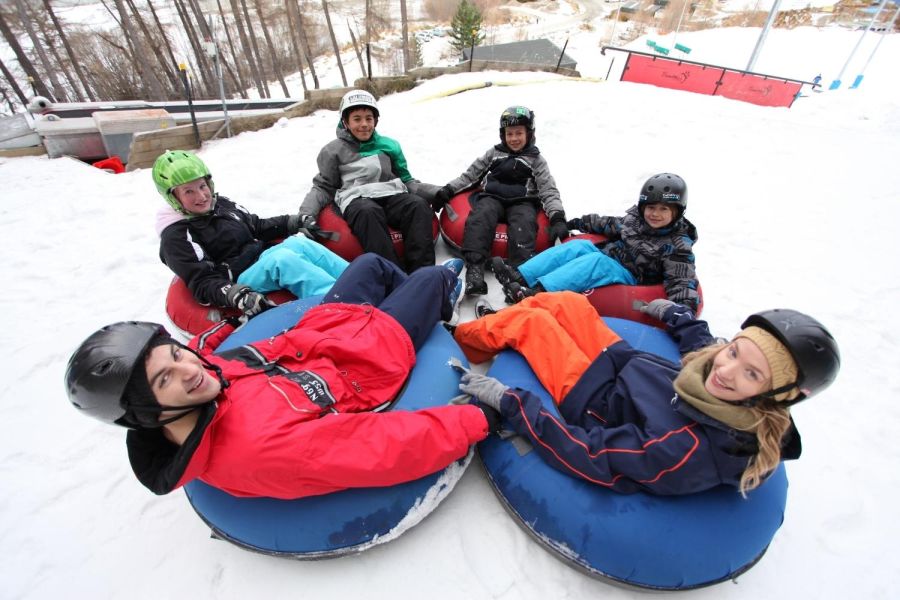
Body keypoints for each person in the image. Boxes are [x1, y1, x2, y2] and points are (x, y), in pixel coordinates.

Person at [63, 254, 498, 499]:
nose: (190, 369)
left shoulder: (200, 382)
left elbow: (214, 353)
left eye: (176, 354)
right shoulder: (258, 449)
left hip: (323, 331)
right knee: (433, 275)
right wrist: (481, 418)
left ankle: (425, 304)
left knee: (370, 264)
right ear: (145, 413)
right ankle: (438, 296)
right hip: (369, 360)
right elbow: (382, 447)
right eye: (165, 380)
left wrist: (233, 325)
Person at [451, 292, 840, 496]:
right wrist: (678, 317)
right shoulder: (725, 383)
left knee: (532, 323)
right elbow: (706, 351)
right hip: (625, 365)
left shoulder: (690, 449)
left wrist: (511, 402)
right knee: (567, 303)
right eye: (735, 352)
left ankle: (457, 341)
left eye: (751, 373)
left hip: (593, 398)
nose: (725, 370)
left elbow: (590, 455)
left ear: (774, 395)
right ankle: (488, 328)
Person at [153, 150, 348, 318]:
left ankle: (355, 279)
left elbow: (256, 226)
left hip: (260, 258)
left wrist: (292, 222)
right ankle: (341, 305)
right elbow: (201, 281)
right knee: (282, 260)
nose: (201, 196)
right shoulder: (177, 235)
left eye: (202, 186)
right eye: (188, 192)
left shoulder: (221, 205)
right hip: (237, 278)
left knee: (300, 244)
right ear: (173, 197)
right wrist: (233, 294)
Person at [491, 173, 699, 309]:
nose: (655, 214)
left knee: (596, 262)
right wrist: (579, 222)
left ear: (677, 212)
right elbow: (609, 224)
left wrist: (684, 310)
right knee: (579, 246)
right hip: (612, 255)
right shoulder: (635, 221)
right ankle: (519, 276)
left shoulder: (678, 245)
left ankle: (537, 294)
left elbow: (681, 279)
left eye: (664, 209)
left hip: (634, 276)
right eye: (651, 208)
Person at [431, 106, 569, 296]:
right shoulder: (494, 154)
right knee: (481, 216)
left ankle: (518, 275)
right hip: (492, 197)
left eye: (519, 133)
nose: (514, 138)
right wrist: (448, 190)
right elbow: (470, 176)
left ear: (529, 134)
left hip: (523, 201)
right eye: (509, 133)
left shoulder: (536, 160)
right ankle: (475, 270)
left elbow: (548, 190)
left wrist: (557, 217)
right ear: (503, 135)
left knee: (524, 224)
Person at [298, 90, 437, 273]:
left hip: (391, 194)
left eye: (369, 118)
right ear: (345, 122)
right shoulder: (332, 151)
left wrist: (436, 192)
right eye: (357, 119)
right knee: (368, 212)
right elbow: (323, 187)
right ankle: (392, 276)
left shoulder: (389, 145)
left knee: (417, 206)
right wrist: (306, 215)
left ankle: (424, 275)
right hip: (356, 200)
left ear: (375, 121)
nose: (364, 124)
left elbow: (406, 180)